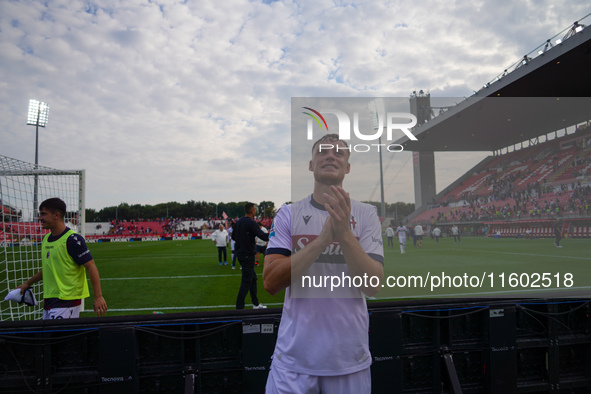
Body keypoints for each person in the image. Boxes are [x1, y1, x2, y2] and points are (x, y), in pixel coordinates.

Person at [263, 133, 384, 393]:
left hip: (349, 362)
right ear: (310, 164)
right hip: (293, 364)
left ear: (347, 167)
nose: (330, 155)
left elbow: (373, 284)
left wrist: (345, 233)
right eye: (323, 151)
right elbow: (271, 281)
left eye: (339, 153)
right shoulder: (287, 214)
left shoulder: (366, 215)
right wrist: (320, 242)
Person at [15, 198, 107, 319]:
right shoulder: (46, 239)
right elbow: (49, 269)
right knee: (48, 337)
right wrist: (27, 283)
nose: (40, 218)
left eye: (43, 214)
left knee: (60, 337)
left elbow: (91, 266)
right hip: (49, 301)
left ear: (56, 215)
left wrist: (98, 296)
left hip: (67, 302)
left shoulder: (72, 240)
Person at [232, 203, 269, 309]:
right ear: (252, 211)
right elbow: (262, 236)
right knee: (246, 281)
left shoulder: (238, 222)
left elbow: (234, 237)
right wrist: (275, 234)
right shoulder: (251, 223)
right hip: (248, 254)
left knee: (253, 279)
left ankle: (256, 304)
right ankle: (239, 307)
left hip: (241, 254)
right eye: (255, 209)